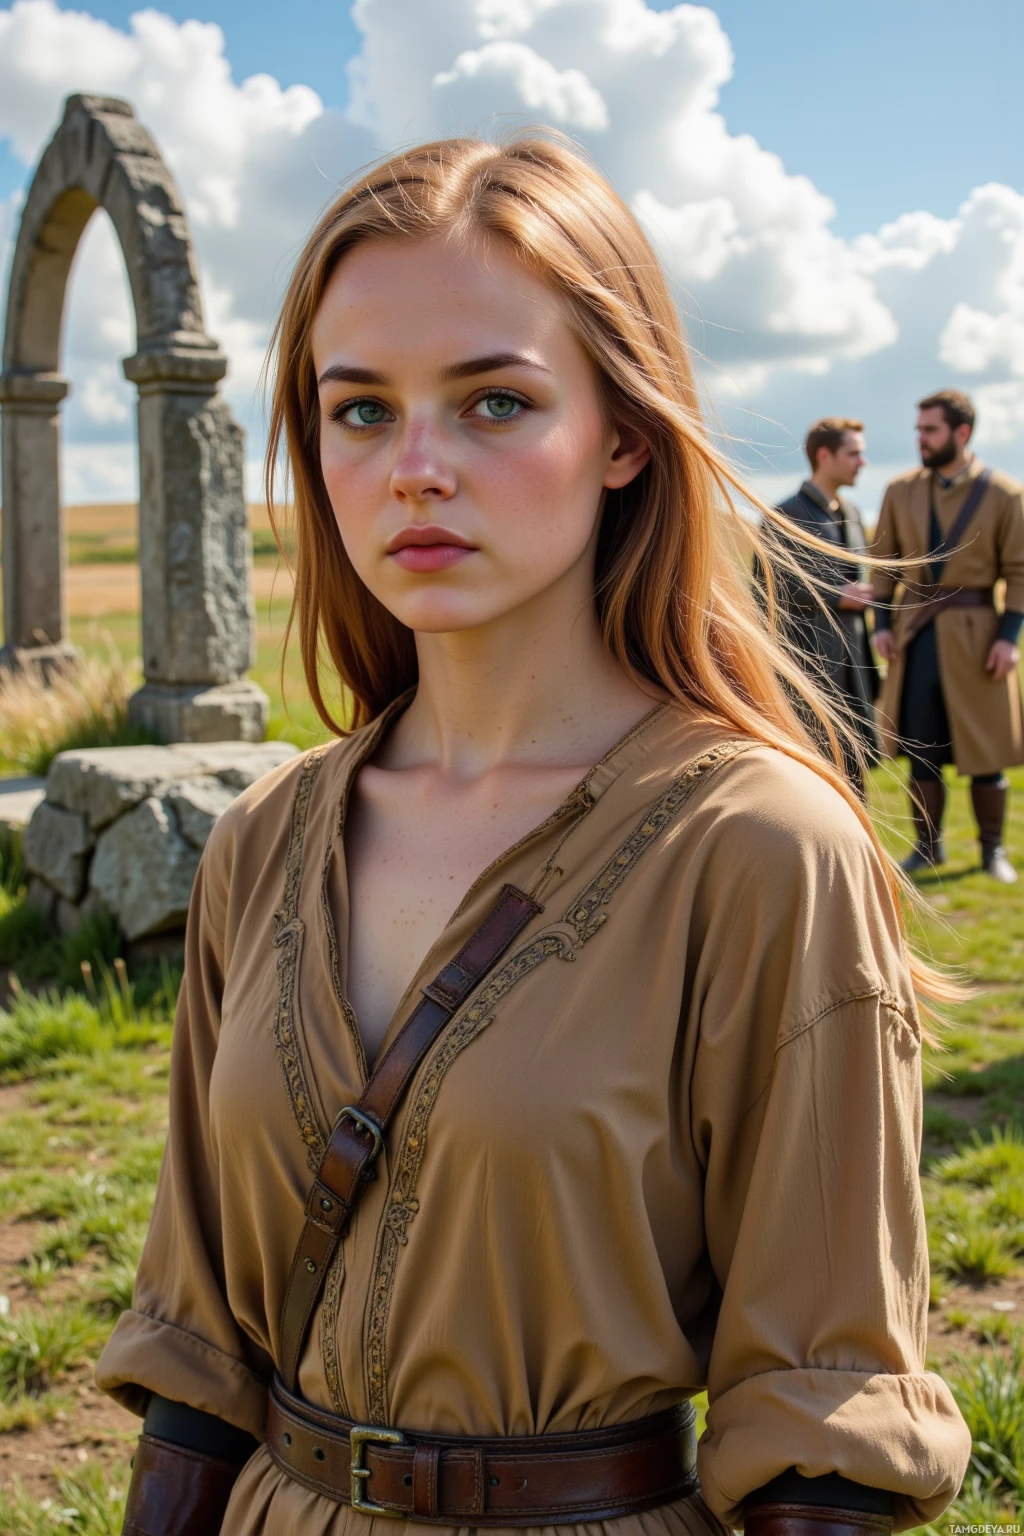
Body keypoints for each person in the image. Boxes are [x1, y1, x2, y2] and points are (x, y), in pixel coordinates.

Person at [97, 136, 970, 1536]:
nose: (417, 469)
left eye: (495, 402)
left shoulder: (759, 848)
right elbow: (199, 1358)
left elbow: (824, 1422)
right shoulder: (266, 837)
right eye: (361, 411)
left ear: (624, 434)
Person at [872, 390, 1024, 882]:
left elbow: (1020, 572)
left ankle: (992, 852)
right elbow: (885, 565)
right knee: (921, 746)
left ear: (961, 433)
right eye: (918, 429)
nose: (920, 438)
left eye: (930, 430)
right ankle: (927, 848)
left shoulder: (1005, 494)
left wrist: (1009, 637)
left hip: (980, 637)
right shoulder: (899, 490)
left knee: (986, 750)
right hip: (916, 635)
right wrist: (880, 625)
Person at [760, 417, 879, 795]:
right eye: (854, 453)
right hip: (808, 667)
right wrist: (836, 596)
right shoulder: (785, 516)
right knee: (814, 776)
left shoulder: (855, 514)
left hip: (854, 662)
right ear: (824, 456)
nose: (862, 462)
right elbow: (766, 590)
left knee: (856, 770)